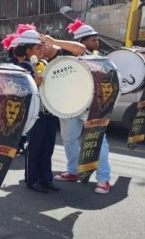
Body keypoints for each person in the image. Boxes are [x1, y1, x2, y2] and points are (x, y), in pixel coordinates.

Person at [14, 25, 86, 193]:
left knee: (48, 147)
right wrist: (34, 84)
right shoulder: (23, 68)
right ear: (27, 50)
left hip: (50, 112)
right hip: (35, 114)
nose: (42, 49)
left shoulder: (46, 63)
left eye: (42, 46)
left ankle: (46, 178)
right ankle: (32, 179)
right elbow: (19, 92)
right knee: (35, 147)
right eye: (37, 47)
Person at [54, 19, 112, 194]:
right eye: (93, 39)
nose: (97, 43)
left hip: (91, 107)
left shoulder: (97, 57)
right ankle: (73, 171)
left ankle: (103, 179)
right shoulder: (66, 55)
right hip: (69, 106)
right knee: (69, 139)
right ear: (82, 41)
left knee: (98, 141)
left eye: (97, 39)